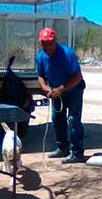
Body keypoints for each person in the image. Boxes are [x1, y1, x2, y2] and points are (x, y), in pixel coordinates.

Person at [36, 27, 86, 164]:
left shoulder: (67, 54)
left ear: (56, 41)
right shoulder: (40, 56)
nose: (47, 46)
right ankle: (62, 147)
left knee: (73, 120)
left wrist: (61, 88)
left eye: (50, 43)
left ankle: (77, 152)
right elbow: (40, 75)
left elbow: (78, 76)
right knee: (57, 118)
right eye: (44, 43)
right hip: (56, 92)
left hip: (73, 90)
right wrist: (45, 87)